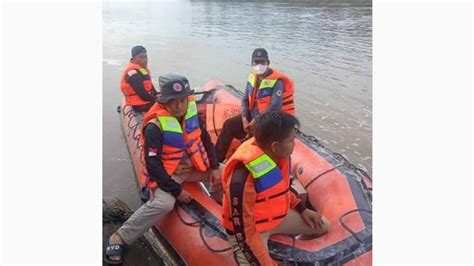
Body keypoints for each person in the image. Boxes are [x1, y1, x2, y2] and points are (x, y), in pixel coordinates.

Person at [105, 74, 222, 264]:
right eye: (172, 102)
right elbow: (153, 165)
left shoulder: (193, 114)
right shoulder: (155, 126)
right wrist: (176, 191)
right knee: (164, 204)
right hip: (169, 173)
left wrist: (215, 167)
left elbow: (206, 141)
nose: (178, 106)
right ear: (163, 101)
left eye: (182, 101)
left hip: (191, 167)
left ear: (187, 99)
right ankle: (120, 237)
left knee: (227, 172)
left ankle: (222, 205)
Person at [221, 111, 330, 265]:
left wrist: (302, 209)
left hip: (276, 217)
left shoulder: (280, 157)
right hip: (251, 229)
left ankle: (292, 246)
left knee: (323, 225)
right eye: (291, 141)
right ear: (275, 146)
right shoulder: (242, 177)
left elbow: (281, 190)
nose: (294, 145)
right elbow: (244, 232)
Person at [215, 48, 296, 162]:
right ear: (252, 63)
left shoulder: (277, 82)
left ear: (268, 63)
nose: (259, 65)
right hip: (252, 117)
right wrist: (244, 118)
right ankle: (216, 161)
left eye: (262, 62)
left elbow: (274, 107)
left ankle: (247, 160)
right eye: (256, 62)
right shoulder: (252, 77)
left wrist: (256, 121)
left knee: (255, 140)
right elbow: (244, 99)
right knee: (229, 125)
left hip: (268, 120)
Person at [120, 45, 158, 112]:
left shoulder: (142, 69)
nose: (144, 60)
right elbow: (143, 95)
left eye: (145, 57)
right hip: (139, 104)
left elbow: (149, 85)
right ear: (133, 58)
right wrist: (156, 99)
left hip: (145, 101)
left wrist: (156, 93)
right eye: (141, 57)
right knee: (168, 105)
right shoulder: (133, 73)